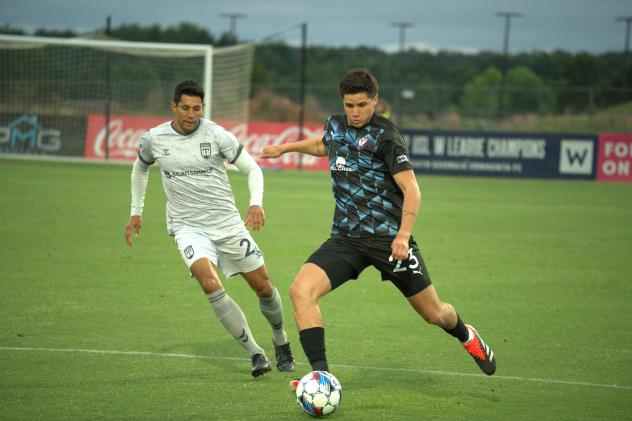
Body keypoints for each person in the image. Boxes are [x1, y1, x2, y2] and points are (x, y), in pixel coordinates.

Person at [260, 69, 495, 382]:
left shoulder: (387, 137)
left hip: (389, 241)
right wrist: (284, 148)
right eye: (349, 105)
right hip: (346, 240)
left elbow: (413, 190)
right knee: (300, 291)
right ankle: (322, 379)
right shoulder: (336, 124)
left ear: (375, 101)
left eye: (361, 105)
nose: (355, 112)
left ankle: (466, 335)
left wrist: (403, 237)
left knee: (434, 313)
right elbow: (324, 144)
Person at [124, 80, 295, 377]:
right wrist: (136, 212)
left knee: (264, 288)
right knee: (209, 283)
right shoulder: (154, 138)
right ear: (173, 106)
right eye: (186, 108)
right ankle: (256, 353)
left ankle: (281, 340)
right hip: (188, 227)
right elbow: (140, 168)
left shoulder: (216, 134)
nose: (192, 114)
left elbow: (252, 168)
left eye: (197, 108)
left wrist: (256, 203)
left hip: (227, 224)